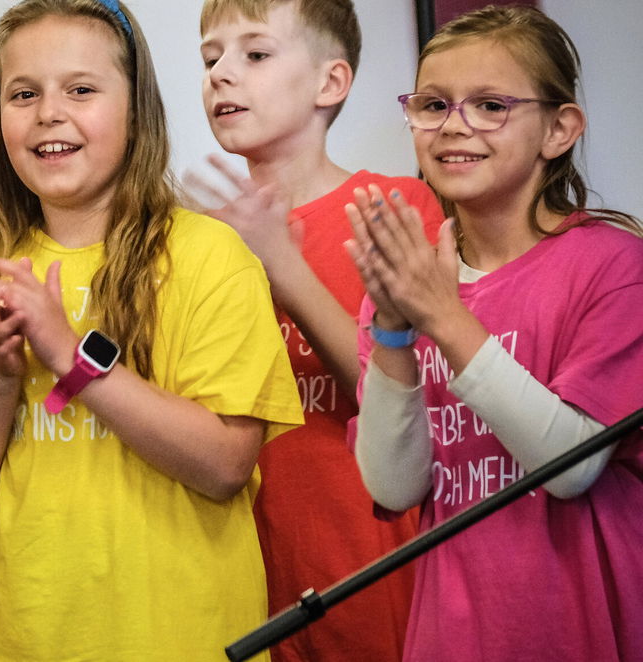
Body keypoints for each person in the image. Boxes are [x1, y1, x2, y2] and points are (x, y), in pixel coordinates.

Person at [0, 1, 302, 658]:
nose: (49, 113)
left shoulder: (209, 256)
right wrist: (1, 374)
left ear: (136, 109)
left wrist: (70, 355)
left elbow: (225, 465)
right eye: (23, 94)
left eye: (81, 90)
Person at [347, 6, 643, 660]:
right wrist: (392, 330)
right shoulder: (411, 282)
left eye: (489, 106)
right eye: (433, 105)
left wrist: (444, 318)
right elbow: (394, 487)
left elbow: (573, 467)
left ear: (558, 129)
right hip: (453, 634)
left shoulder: (614, 266)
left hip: (577, 630)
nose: (455, 126)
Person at [187, 2, 445, 658]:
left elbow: (412, 410)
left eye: (255, 53)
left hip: (365, 571)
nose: (221, 73)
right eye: (210, 57)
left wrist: (283, 266)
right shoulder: (194, 239)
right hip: (240, 579)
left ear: (330, 82)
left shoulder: (391, 208)